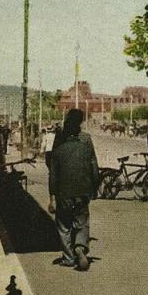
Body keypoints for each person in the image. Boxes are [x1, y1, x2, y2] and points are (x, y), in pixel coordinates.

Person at [48, 109, 99, 271]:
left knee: (64, 226)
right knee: (82, 222)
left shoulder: (59, 143)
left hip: (64, 190)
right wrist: (94, 188)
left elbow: (52, 170)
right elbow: (94, 167)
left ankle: (69, 257)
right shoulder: (87, 141)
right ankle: (80, 247)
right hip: (83, 190)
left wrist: (52, 196)